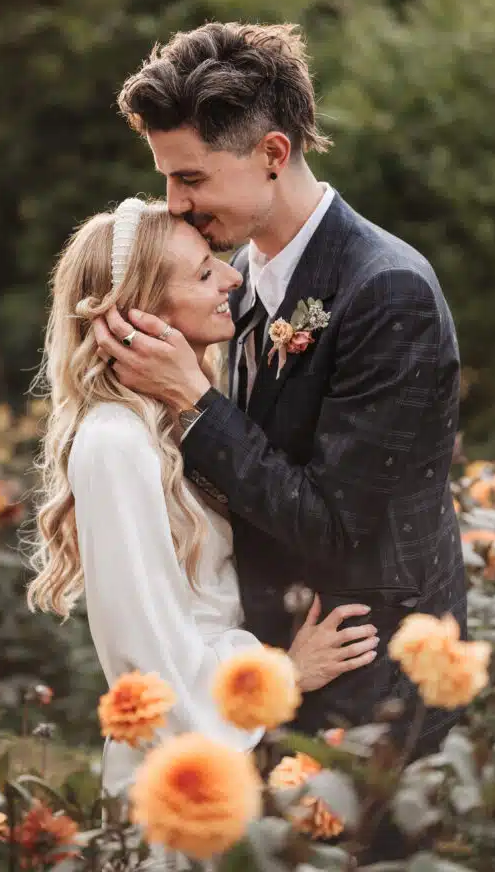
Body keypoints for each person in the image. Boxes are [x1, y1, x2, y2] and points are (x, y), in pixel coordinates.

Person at [94, 22, 467, 760]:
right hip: (277, 668)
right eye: (167, 177)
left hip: (370, 685)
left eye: (191, 178)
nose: (172, 204)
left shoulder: (384, 291)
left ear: (272, 154)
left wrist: (193, 405)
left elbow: (335, 525)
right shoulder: (234, 283)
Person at [27, 198, 378, 797]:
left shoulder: (176, 422)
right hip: (180, 772)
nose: (233, 276)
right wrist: (286, 674)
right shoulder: (116, 441)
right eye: (202, 272)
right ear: (138, 314)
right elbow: (144, 653)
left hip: (231, 750)